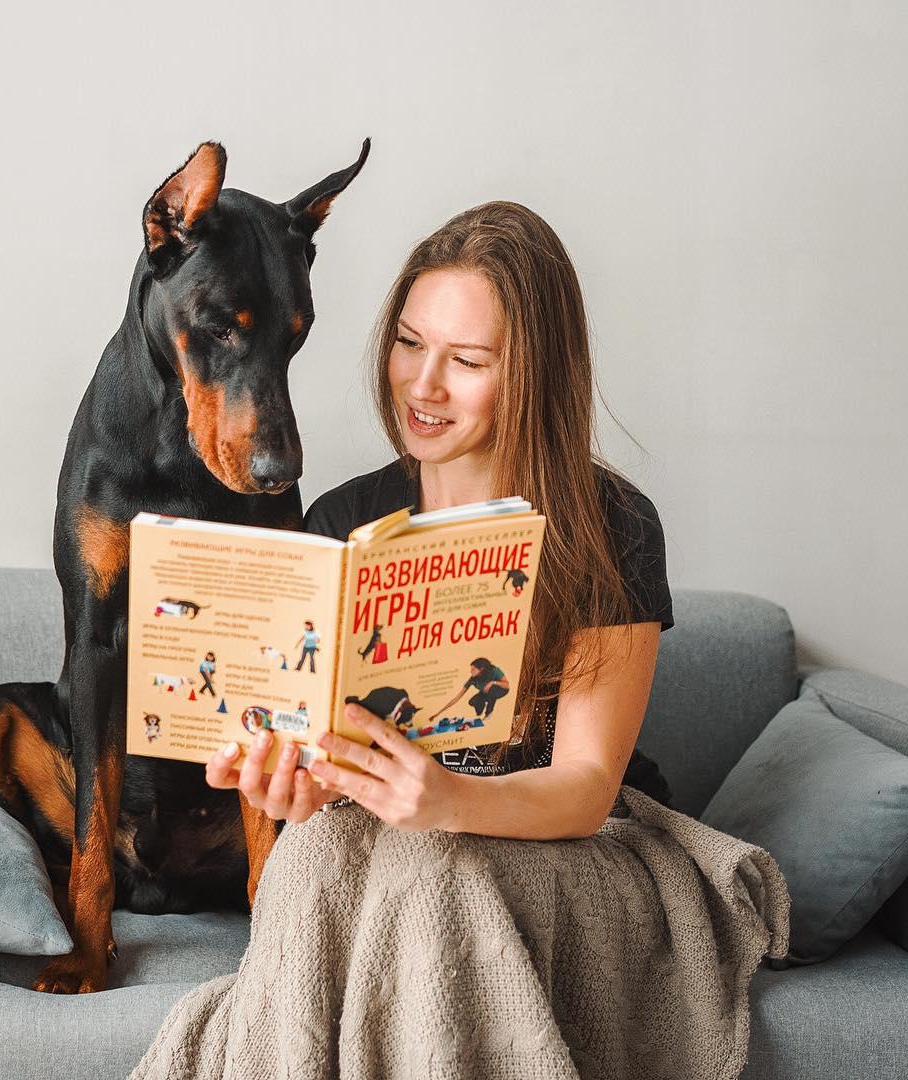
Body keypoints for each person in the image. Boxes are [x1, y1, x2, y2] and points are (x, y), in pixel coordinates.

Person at [134, 202, 788, 1079]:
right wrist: (290, 791)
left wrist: (444, 803)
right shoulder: (346, 518)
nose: (423, 385)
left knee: (433, 873)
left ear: (534, 374)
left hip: (576, 845)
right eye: (409, 343)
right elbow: (329, 783)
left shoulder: (614, 524)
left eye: (468, 361)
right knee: (317, 857)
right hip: (395, 843)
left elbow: (587, 788)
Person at [430, 657, 511, 721]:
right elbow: (457, 697)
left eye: (473, 669)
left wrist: (493, 682)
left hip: (501, 690)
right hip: (486, 693)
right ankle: (482, 709)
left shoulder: (494, 671)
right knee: (472, 702)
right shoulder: (473, 679)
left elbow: (507, 685)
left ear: (481, 669)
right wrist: (438, 713)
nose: (471, 672)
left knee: (492, 689)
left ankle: (488, 713)